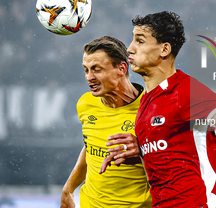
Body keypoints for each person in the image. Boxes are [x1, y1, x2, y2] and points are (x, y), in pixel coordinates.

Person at [101, 11, 216, 207]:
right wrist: (140, 153)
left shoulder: (184, 90)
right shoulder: (145, 101)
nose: (130, 48)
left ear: (164, 49)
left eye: (140, 41)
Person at [60, 36, 152, 208]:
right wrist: (68, 188)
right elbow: (91, 147)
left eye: (97, 69)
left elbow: (171, 169)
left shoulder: (151, 110)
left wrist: (142, 152)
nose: (89, 77)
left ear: (121, 68)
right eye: (86, 70)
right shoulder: (86, 103)